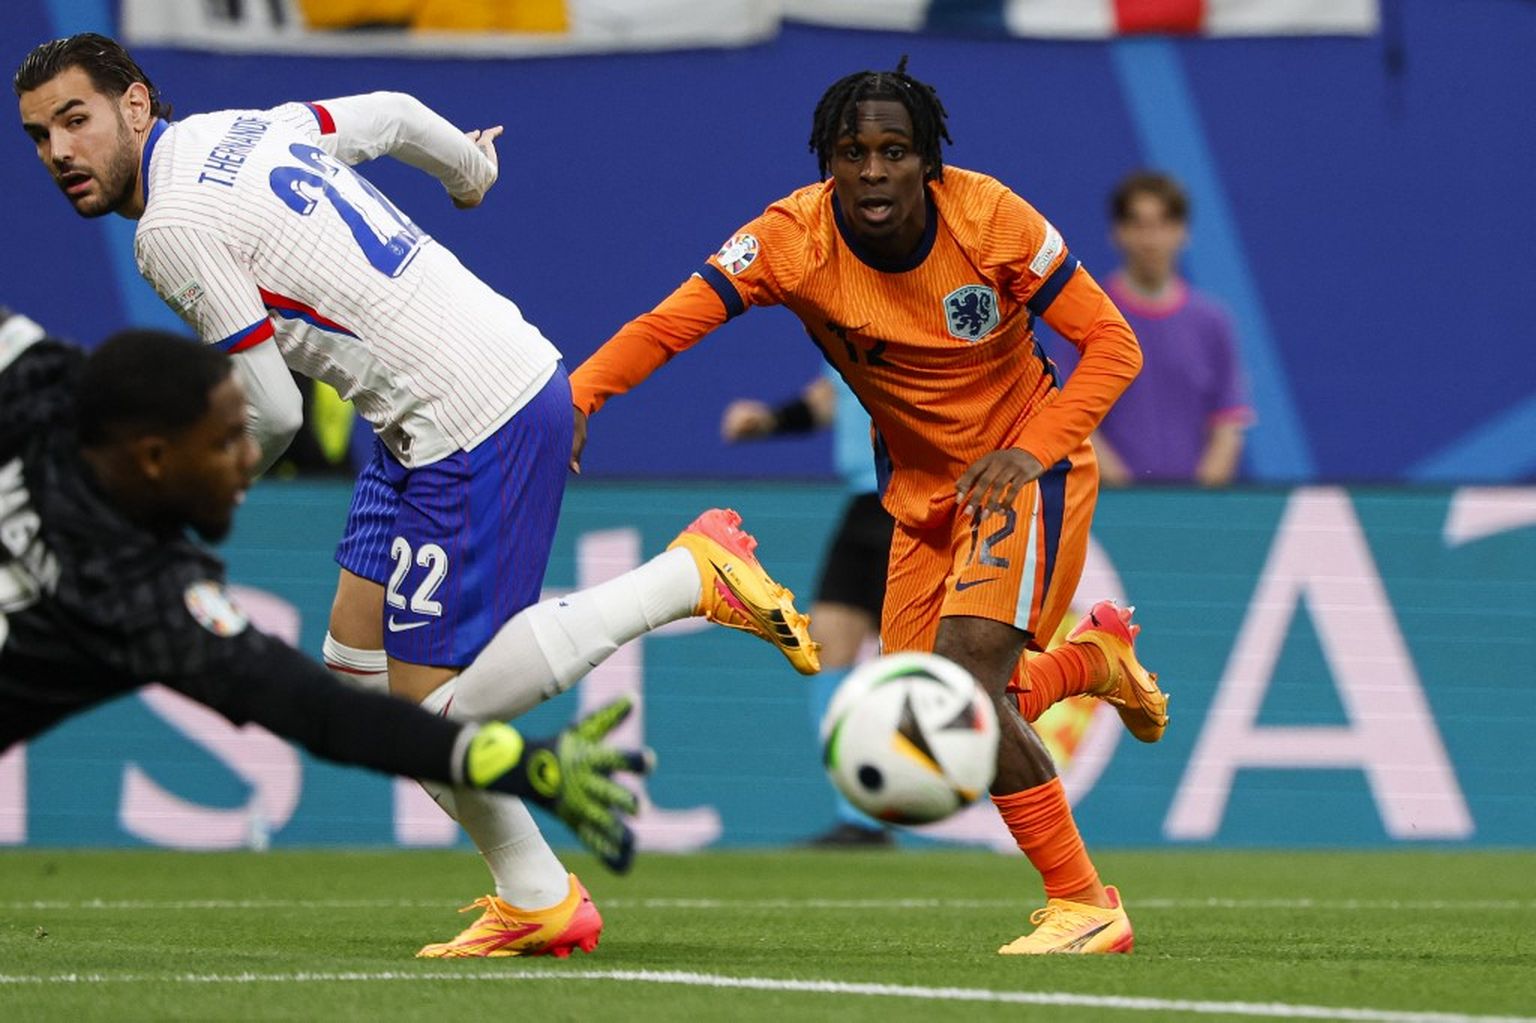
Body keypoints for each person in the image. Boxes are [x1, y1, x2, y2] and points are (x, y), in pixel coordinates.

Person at [15, 33, 818, 959]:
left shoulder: (168, 228)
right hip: (432, 408)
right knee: (352, 662)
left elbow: (271, 408)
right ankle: (538, 895)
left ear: (136, 105)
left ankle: (685, 578)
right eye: (39, 136)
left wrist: (191, 495)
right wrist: (469, 172)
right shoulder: (241, 128)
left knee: (428, 722)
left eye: (75, 120)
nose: (60, 152)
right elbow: (394, 114)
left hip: (466, 418)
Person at [570, 61, 1171, 955]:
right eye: (853, 153)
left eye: (895, 151)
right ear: (829, 164)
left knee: (961, 693)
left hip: (1021, 476)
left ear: (929, 162)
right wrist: (578, 397)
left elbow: (1114, 344)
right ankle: (1092, 661)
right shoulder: (789, 240)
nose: (874, 170)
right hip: (921, 495)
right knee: (935, 708)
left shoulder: (993, 220)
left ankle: (1085, 903)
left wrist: (1032, 449)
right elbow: (668, 324)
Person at [0, 318, 648, 900]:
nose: (251, 457)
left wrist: (512, 763)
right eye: (226, 441)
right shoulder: (33, 382)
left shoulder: (157, 606)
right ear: (153, 458)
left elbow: (324, 711)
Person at [721, 372, 896, 848]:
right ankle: (860, 817)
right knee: (826, 652)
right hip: (863, 504)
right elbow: (831, 394)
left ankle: (957, 787)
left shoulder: (922, 328)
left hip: (917, 493)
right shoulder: (841, 333)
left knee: (911, 656)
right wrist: (770, 421)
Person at [1092, 171, 1253, 487]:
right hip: (1109, 507)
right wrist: (1128, 500)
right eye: (1138, 224)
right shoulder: (1089, 314)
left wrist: (1193, 504)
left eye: (1163, 224)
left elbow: (1228, 422)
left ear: (1183, 232)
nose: (1150, 240)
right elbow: (1076, 422)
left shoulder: (1213, 322)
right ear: (1118, 233)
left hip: (1195, 510)